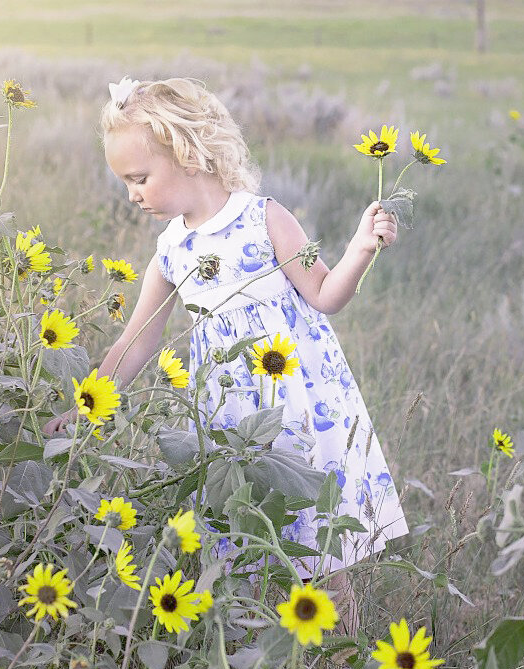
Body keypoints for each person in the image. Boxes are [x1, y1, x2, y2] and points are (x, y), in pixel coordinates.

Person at [45, 77, 409, 631]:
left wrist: (359, 248)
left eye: (139, 179)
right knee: (244, 531)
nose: (132, 195)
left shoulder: (264, 219)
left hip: (302, 409)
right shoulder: (171, 248)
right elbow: (138, 338)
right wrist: (88, 403)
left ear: (187, 154)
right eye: (125, 183)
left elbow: (326, 296)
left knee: (319, 538)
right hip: (230, 420)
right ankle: (253, 643)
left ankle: (345, 649)